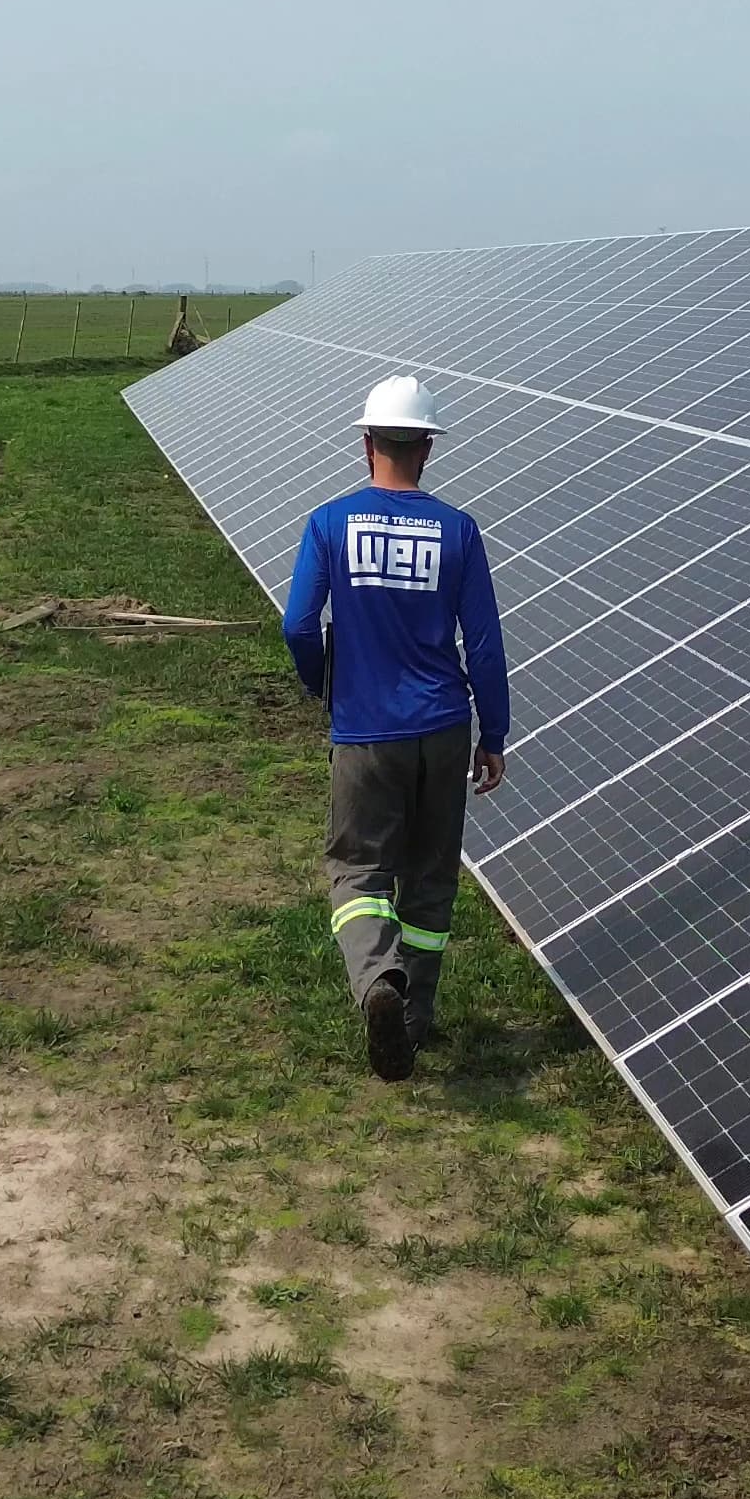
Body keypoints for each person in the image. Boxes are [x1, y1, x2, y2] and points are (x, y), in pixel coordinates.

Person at [279, 375, 509, 1082]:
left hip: (365, 730)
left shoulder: (329, 523)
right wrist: (492, 734)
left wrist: (322, 679)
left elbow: (297, 624)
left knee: (358, 872)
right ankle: (414, 1022)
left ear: (367, 441)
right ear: (428, 448)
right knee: (430, 883)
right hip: (442, 728)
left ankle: (378, 979)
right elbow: (486, 644)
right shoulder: (459, 531)